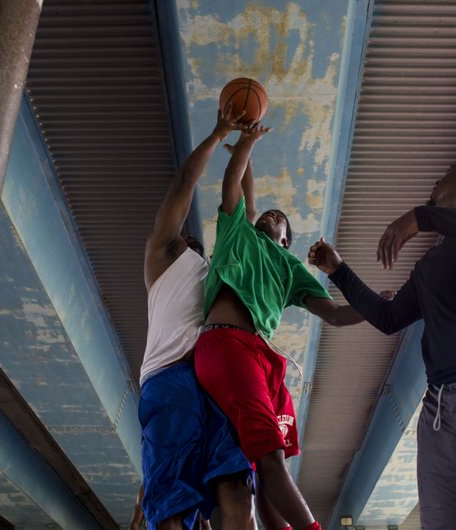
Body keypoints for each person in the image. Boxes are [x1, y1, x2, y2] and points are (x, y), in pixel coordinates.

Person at [308, 150, 456, 530]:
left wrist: (423, 216)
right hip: (439, 409)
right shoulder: (432, 263)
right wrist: (338, 271)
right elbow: (388, 318)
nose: (436, 182)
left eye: (446, 171)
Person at [193, 123, 364, 530]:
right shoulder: (238, 232)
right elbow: (235, 181)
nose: (273, 214)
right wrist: (248, 143)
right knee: (269, 456)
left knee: (267, 466)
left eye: (281, 218)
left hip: (263, 359)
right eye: (268, 212)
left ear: (286, 240)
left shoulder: (290, 268)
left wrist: (378, 307)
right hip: (226, 345)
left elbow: (337, 315)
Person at [138, 105, 255, 530]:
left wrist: (245, 151)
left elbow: (244, 215)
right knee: (173, 507)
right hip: (169, 376)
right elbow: (184, 182)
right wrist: (218, 132)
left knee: (238, 492)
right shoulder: (162, 255)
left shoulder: (217, 276)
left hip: (218, 377)